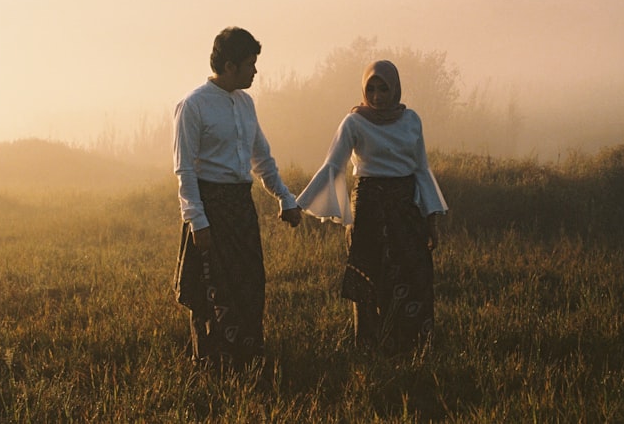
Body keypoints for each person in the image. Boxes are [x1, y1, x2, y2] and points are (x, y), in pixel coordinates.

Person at [296, 60, 447, 354]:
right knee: (369, 277)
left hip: (405, 209)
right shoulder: (354, 122)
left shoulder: (411, 120)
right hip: (368, 209)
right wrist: (299, 204)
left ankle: (412, 344)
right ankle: (368, 346)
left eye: (384, 89)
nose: (377, 96)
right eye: (372, 89)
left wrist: (432, 219)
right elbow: (333, 164)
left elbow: (421, 169)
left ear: (395, 89)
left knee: (413, 275)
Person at [172, 26, 301, 370]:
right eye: (249, 64)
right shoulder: (193, 106)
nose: (255, 71)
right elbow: (184, 170)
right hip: (210, 207)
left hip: (241, 208)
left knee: (249, 281)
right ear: (229, 66)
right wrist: (197, 220)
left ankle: (247, 357)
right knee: (211, 288)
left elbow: (262, 159)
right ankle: (211, 362)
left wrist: (285, 198)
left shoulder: (246, 104)